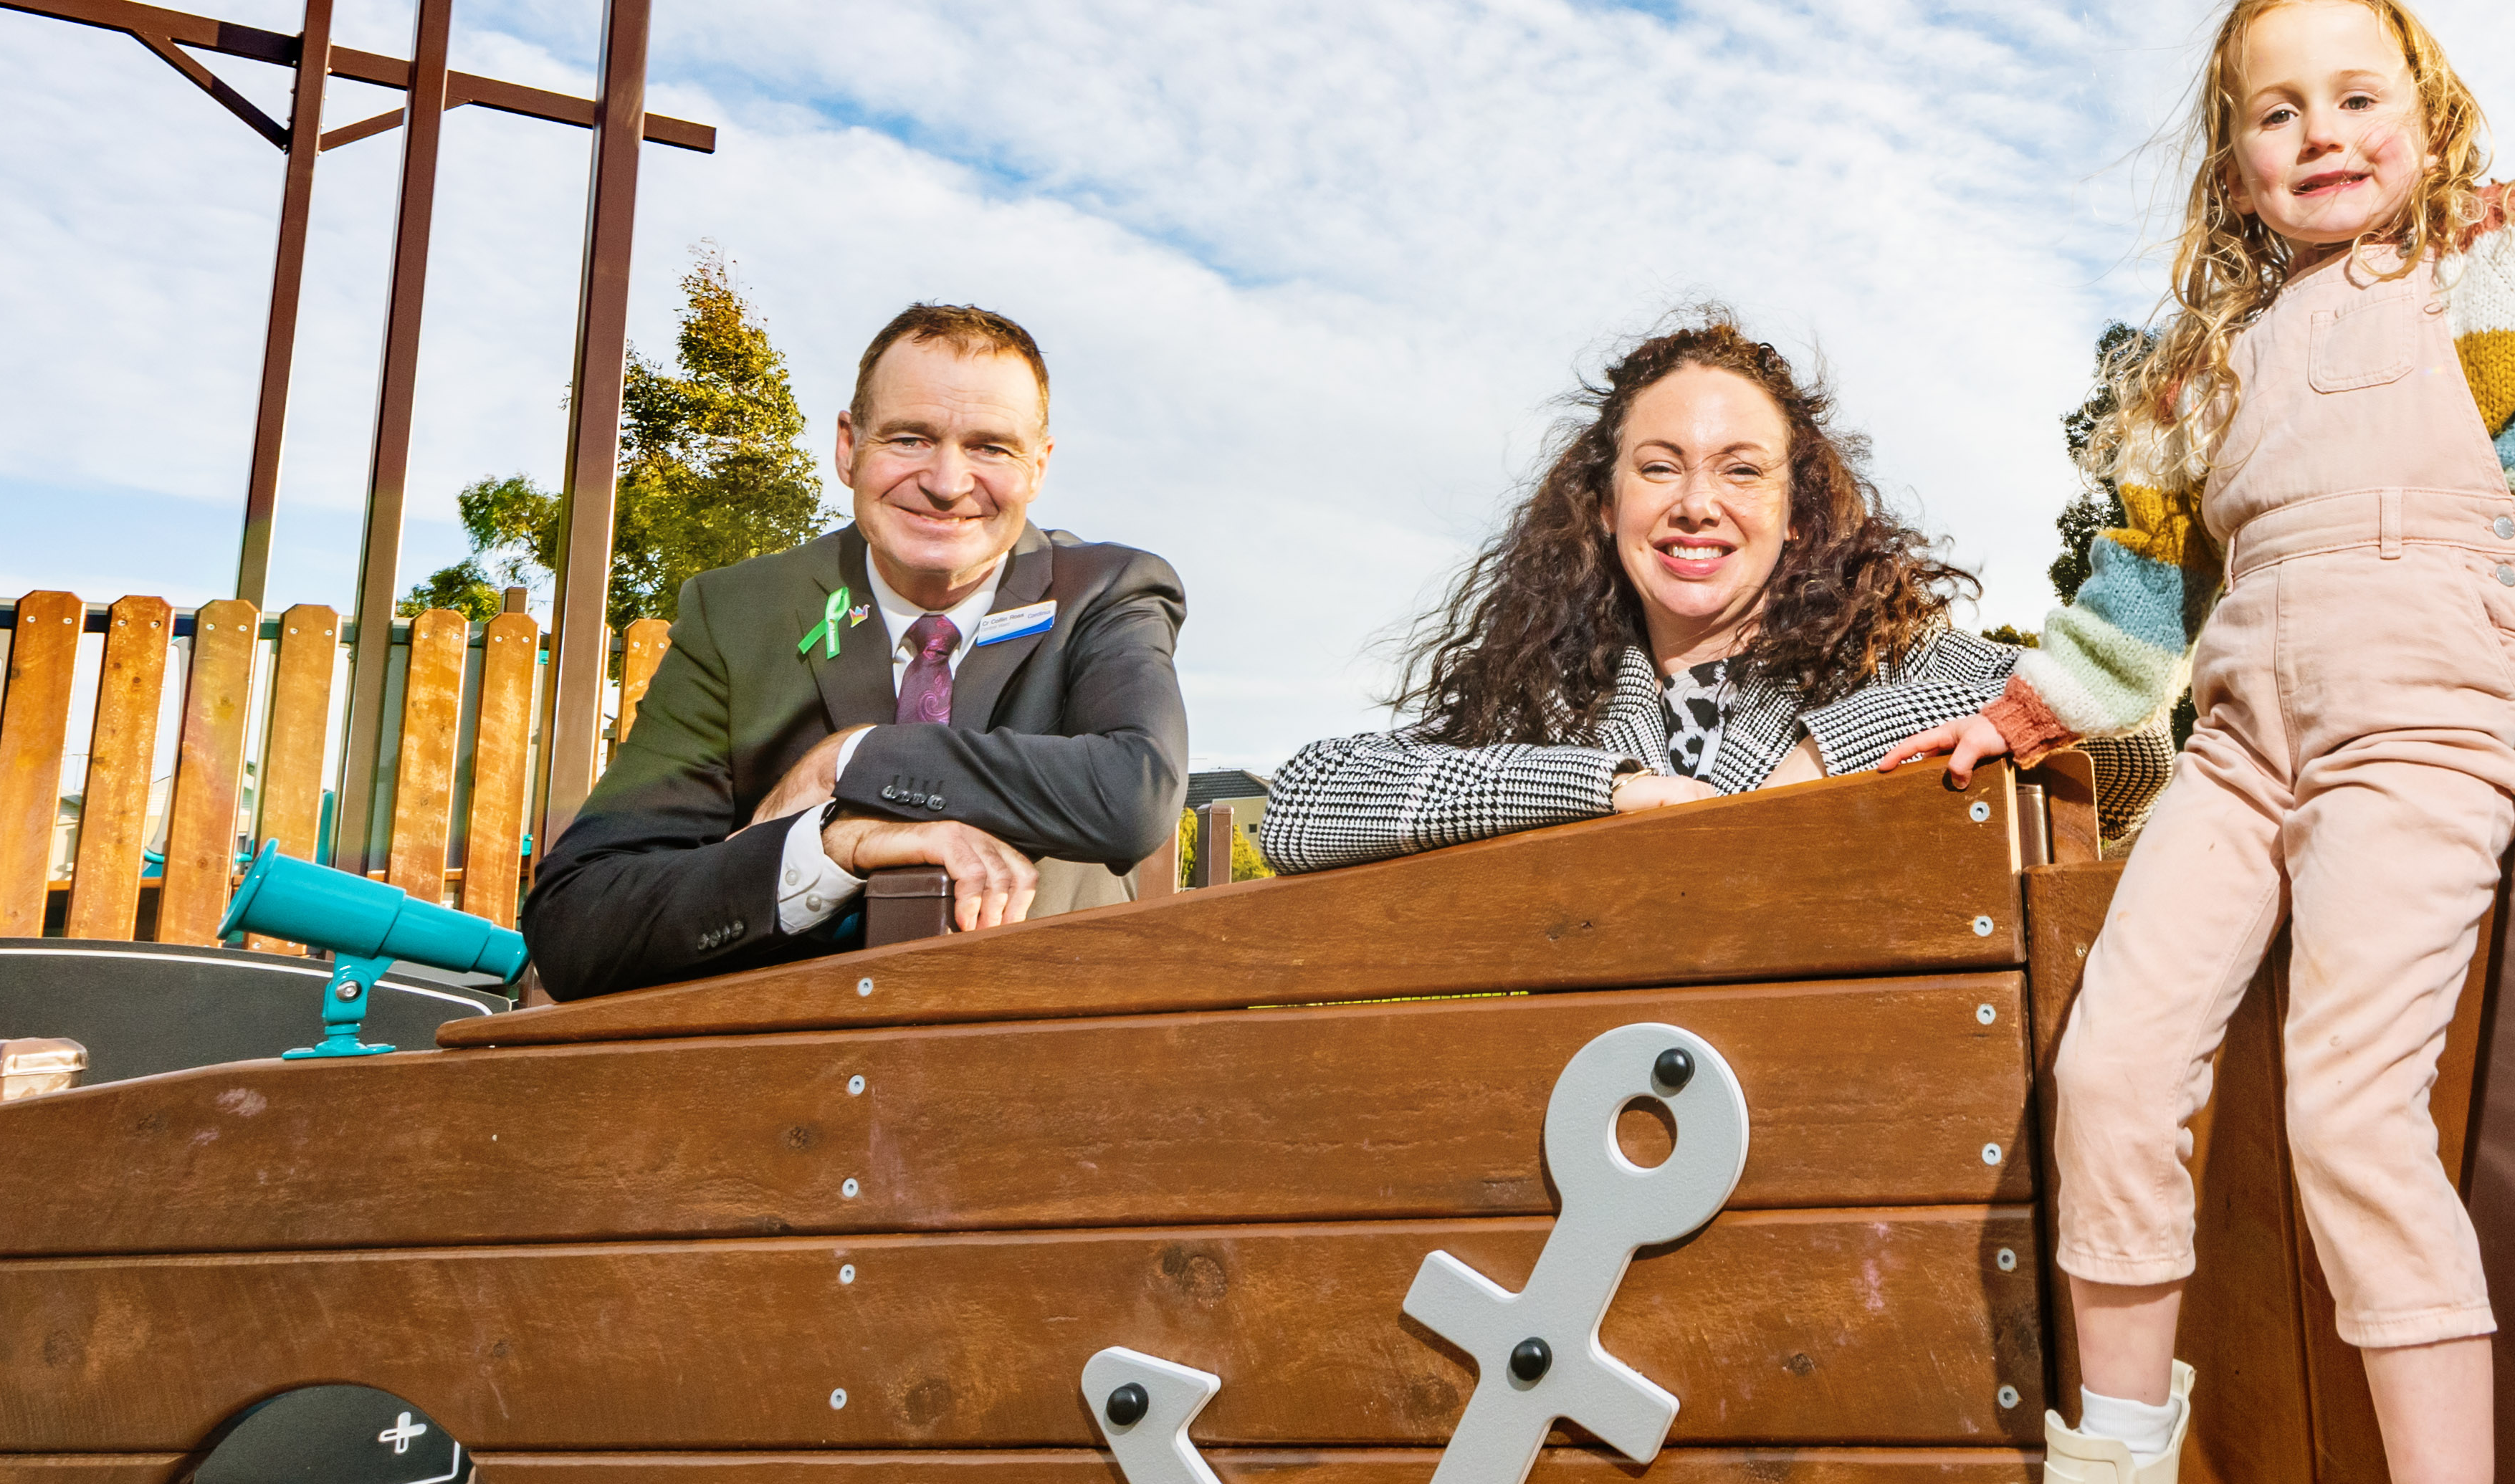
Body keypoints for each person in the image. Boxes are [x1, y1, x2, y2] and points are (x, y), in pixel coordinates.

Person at [1920, 0, 2515, 1484]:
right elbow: (2136, 618)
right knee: (2113, 1069)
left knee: (2345, 1120)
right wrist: (2026, 710)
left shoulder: (2493, 275)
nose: (2323, 134)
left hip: (2426, 729)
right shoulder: (2190, 370)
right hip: (2240, 750)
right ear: (2231, 161)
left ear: (2431, 110)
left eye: (2358, 96)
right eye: (2278, 108)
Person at [1254, 313, 2101, 869]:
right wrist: (1609, 789)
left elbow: (2130, 749)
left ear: (1796, 513)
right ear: (1605, 504)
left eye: (1740, 470)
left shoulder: (1887, 656)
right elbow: (1299, 806)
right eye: (1659, 467)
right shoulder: (1554, 701)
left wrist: (1821, 757)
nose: (1696, 503)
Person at [522, 301, 1186, 998]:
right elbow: (579, 925)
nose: (946, 481)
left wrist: (853, 759)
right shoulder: (740, 614)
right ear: (848, 445)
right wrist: (829, 843)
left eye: (991, 447)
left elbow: (1133, 793)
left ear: (1038, 466)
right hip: (791, 1075)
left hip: (1056, 1054)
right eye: (909, 438)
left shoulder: (1106, 591)